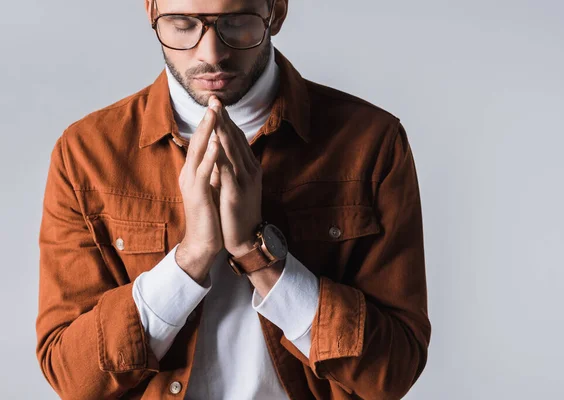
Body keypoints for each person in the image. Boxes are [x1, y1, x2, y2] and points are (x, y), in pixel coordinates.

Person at [35, 0, 431, 399]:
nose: (211, 54)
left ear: (276, 10)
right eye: (182, 24)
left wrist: (255, 253)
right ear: (151, 10)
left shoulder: (372, 144)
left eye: (237, 23)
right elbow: (72, 377)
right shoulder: (86, 153)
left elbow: (393, 371)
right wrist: (191, 257)